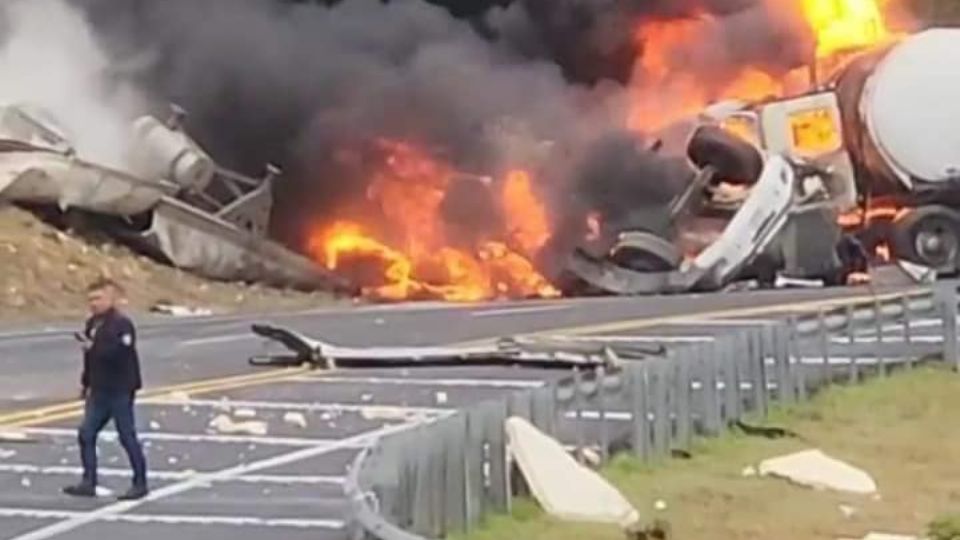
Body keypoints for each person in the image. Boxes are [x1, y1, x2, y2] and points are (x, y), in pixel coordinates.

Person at [62, 278, 148, 500]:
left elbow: (119, 353)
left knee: (126, 436)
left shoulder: (122, 325)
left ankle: (140, 482)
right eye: (90, 299)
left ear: (111, 299)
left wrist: (94, 347)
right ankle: (88, 481)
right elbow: (90, 359)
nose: (94, 303)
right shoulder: (92, 324)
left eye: (98, 298)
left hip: (120, 389)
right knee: (86, 433)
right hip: (99, 389)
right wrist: (85, 383)